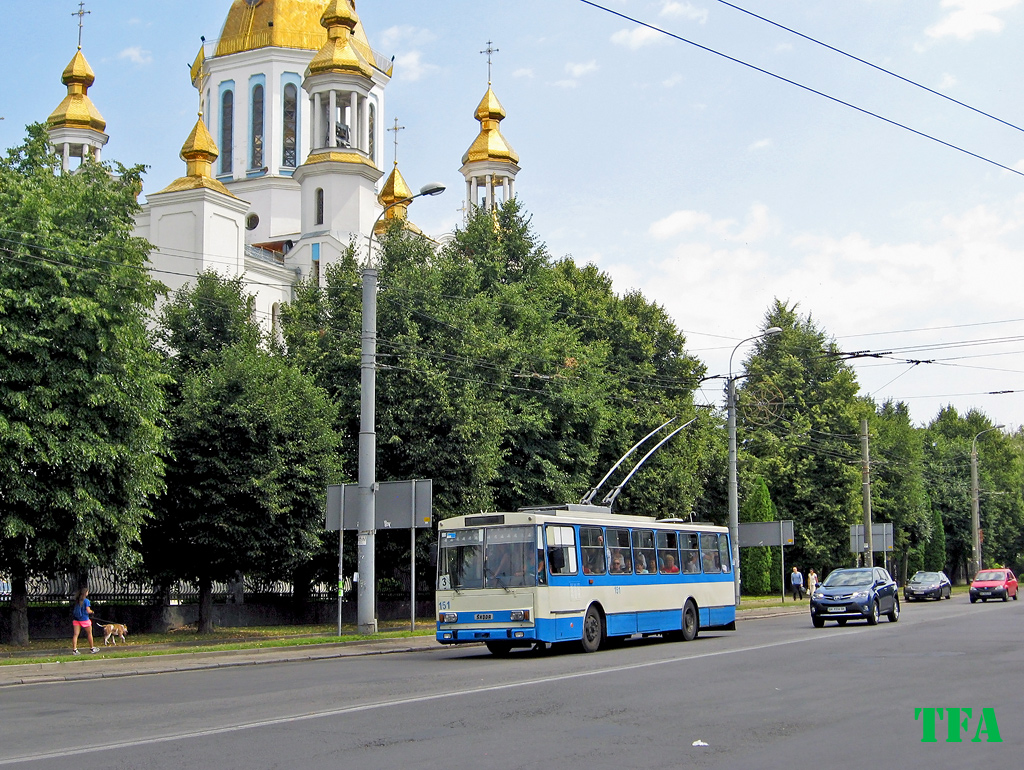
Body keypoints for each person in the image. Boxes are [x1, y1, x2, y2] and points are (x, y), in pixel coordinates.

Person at [71, 587, 99, 654]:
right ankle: (92, 648)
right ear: (85, 593)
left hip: (76, 619)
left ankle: (74, 650)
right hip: (84, 619)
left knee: (76, 635)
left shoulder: (77, 600)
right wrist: (92, 612)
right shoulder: (86, 601)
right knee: (89, 634)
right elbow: (88, 610)